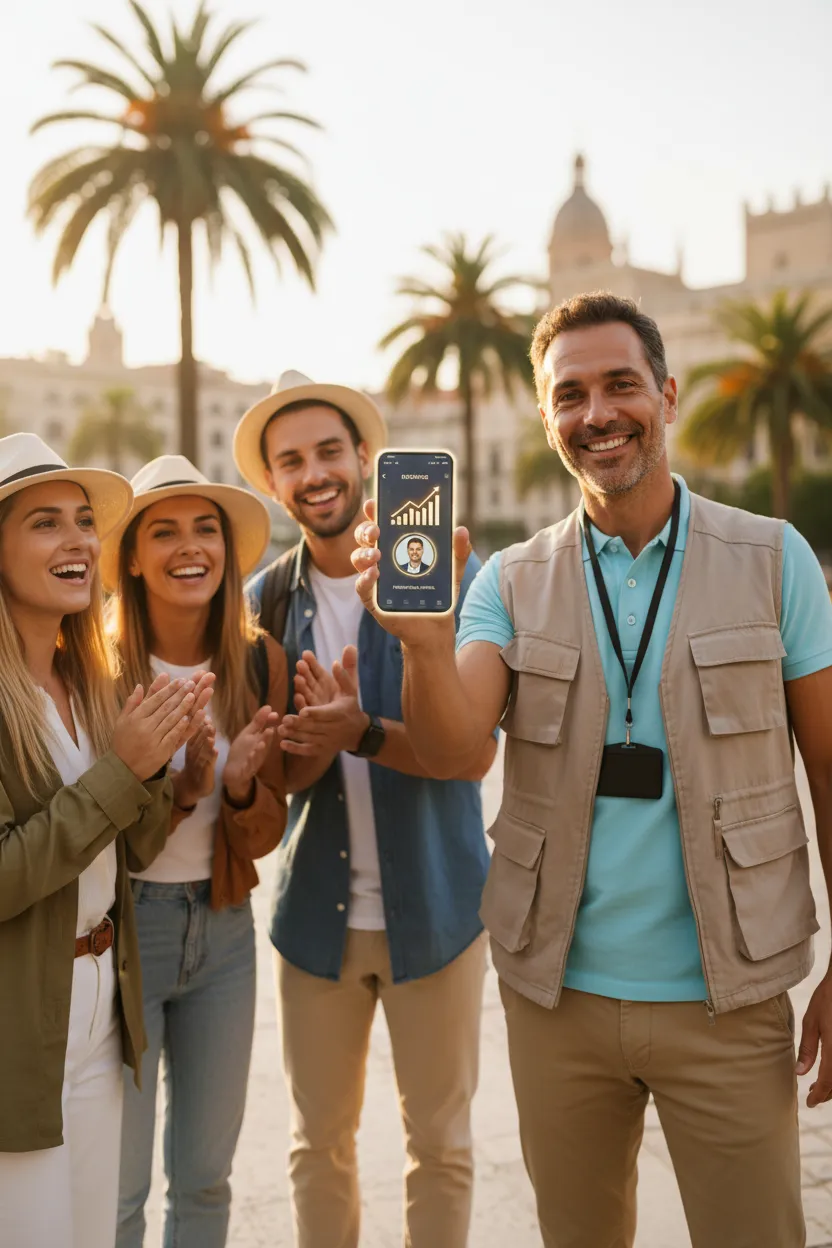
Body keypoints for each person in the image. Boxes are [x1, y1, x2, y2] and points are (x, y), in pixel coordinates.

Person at [352, 292, 832, 1248]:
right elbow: (452, 750)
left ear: (668, 394)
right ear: (547, 418)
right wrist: (423, 645)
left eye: (621, 385)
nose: (598, 413)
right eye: (570, 395)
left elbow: (827, 766)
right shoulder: (506, 582)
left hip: (729, 1002)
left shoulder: (775, 561)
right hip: (555, 1005)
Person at [233, 370, 495, 1248]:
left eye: (329, 452)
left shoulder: (447, 574)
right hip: (314, 920)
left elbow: (474, 754)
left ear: (365, 459)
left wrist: (363, 732)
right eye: (291, 460)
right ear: (273, 482)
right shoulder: (262, 605)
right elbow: (271, 781)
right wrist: (305, 747)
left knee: (442, 1148)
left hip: (442, 912)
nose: (314, 474)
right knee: (318, 1147)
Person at [0, 433, 212, 1248]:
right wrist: (123, 771)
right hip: (21, 1022)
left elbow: (133, 851)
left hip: (102, 1014)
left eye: (85, 521)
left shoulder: (92, 683)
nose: (79, 540)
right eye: (45, 522)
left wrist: (170, 773)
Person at [103, 455, 288, 1248]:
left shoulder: (260, 659)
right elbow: (89, 829)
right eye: (164, 532)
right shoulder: (96, 671)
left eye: (205, 529)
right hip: (124, 937)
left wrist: (241, 788)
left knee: (206, 1179)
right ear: (132, 560)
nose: (190, 547)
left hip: (224, 933)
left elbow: (265, 833)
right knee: (119, 1188)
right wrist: (178, 790)